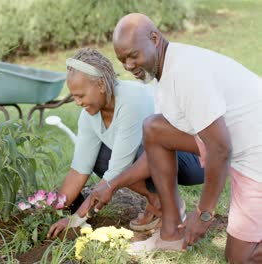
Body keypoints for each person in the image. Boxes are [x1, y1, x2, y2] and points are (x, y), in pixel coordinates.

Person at [93, 13, 262, 262]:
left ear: (154, 38)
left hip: (254, 157)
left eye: (133, 56)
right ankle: (170, 234)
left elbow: (220, 148)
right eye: (122, 60)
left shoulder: (186, 72)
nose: (128, 66)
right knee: (154, 128)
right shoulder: (164, 73)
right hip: (238, 144)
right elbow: (155, 151)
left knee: (240, 259)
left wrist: (204, 213)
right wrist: (111, 185)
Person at [46, 48, 204, 239]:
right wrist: (50, 212)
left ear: (101, 85)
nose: (77, 102)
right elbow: (79, 170)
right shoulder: (89, 115)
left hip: (195, 159)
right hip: (154, 159)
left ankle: (171, 206)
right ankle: (156, 201)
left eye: (81, 96)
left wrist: (75, 219)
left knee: (137, 154)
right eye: (74, 97)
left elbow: (116, 172)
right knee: (100, 157)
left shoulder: (130, 101)